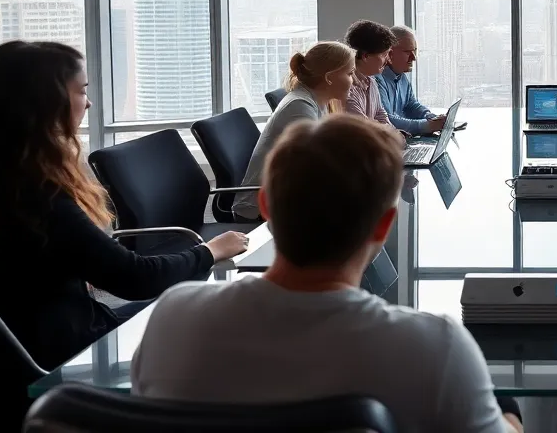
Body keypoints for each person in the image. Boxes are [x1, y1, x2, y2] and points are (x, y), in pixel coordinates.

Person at [132, 115, 524, 433]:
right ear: (383, 226)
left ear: (266, 207)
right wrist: (506, 406)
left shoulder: (174, 315)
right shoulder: (433, 347)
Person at [0, 42, 248, 372]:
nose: (89, 103)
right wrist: (209, 251)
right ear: (46, 103)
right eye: (82, 91)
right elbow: (135, 279)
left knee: (195, 301)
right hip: (67, 360)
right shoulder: (36, 193)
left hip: (7, 356)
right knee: (213, 312)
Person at [233, 40, 355, 221]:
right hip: (261, 208)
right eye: (350, 73)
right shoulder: (299, 106)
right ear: (329, 77)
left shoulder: (317, 102)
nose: (355, 80)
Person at [377, 25, 447, 136]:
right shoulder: (376, 80)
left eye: (415, 51)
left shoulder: (402, 76)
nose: (413, 57)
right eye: (407, 52)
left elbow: (411, 105)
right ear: (390, 53)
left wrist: (430, 117)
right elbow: (388, 120)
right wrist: (427, 126)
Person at [345, 19, 399, 126]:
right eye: (384, 55)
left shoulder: (372, 80)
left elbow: (380, 114)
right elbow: (364, 126)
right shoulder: (347, 88)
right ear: (366, 56)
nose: (388, 60)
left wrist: (394, 133)